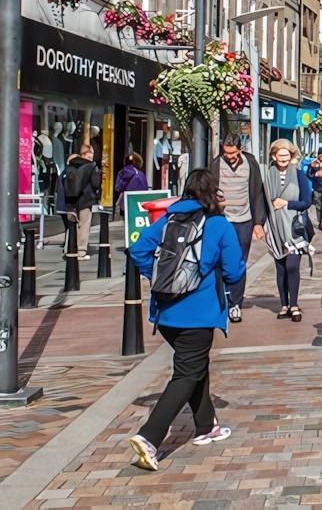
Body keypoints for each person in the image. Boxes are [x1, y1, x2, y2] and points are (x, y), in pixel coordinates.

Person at [126, 168, 245, 471]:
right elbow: (234, 270)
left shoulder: (169, 218)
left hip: (166, 312)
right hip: (199, 312)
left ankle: (206, 426)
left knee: (194, 366)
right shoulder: (218, 224)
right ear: (212, 192)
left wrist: (157, 276)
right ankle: (149, 437)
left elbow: (139, 249)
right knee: (185, 375)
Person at [208, 133, 267, 322]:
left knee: (239, 263)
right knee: (219, 261)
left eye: (233, 154)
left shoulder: (250, 163)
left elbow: (258, 193)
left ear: (240, 149)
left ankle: (235, 304)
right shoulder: (216, 164)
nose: (229, 157)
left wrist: (258, 223)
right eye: (226, 153)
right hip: (223, 220)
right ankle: (221, 300)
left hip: (245, 220)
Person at [260, 139, 313, 322]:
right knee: (280, 268)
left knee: (292, 266)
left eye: (286, 155)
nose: (283, 158)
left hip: (293, 228)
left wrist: (287, 204)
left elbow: (307, 201)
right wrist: (259, 225)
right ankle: (284, 304)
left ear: (291, 156)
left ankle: (294, 304)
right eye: (279, 155)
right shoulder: (268, 175)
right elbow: (263, 202)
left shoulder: (299, 175)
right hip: (274, 227)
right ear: (274, 156)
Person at [63, 144, 101, 258]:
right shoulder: (91, 166)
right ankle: (81, 251)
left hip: (70, 200)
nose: (92, 157)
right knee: (84, 225)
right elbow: (96, 183)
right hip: (85, 200)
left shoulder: (70, 164)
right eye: (91, 155)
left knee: (72, 226)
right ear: (86, 154)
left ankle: (70, 249)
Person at [113, 152, 149, 219]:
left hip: (126, 202)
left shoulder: (122, 172)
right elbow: (145, 189)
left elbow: (118, 187)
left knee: (126, 222)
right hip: (139, 202)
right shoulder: (141, 174)